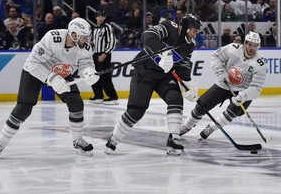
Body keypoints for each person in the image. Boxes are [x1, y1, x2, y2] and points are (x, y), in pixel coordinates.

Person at [0, 17, 100, 157]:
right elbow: (34, 63)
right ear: (74, 35)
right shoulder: (52, 37)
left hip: (61, 71)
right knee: (24, 107)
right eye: (84, 37)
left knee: (76, 102)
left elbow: (86, 63)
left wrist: (89, 71)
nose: (87, 40)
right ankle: (0, 143)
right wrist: (51, 78)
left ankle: (78, 140)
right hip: (36, 71)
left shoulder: (85, 48)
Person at [105, 13, 202, 155]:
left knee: (175, 99)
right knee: (136, 110)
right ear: (187, 28)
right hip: (144, 72)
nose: (195, 35)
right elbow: (147, 35)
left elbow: (183, 65)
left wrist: (188, 82)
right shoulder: (168, 27)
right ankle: (114, 139)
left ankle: (174, 139)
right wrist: (165, 53)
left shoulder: (190, 45)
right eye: (194, 31)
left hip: (164, 76)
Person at [180, 31, 267, 140]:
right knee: (201, 105)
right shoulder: (233, 48)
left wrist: (244, 96)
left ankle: (210, 128)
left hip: (242, 90)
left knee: (232, 112)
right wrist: (221, 72)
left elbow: (256, 87)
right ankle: (186, 126)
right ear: (245, 43)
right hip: (224, 83)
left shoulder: (260, 64)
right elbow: (215, 56)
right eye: (250, 44)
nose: (252, 48)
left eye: (255, 46)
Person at [90, 10, 118, 105]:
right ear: (96, 17)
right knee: (93, 75)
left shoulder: (107, 27)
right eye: (98, 16)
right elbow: (93, 41)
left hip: (104, 54)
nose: (100, 18)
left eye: (102, 16)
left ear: (105, 17)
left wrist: (105, 54)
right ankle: (98, 95)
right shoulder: (94, 28)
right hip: (95, 54)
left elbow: (112, 42)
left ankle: (113, 97)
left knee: (104, 76)